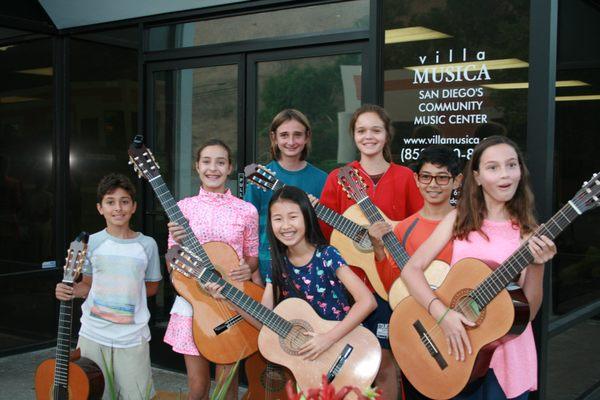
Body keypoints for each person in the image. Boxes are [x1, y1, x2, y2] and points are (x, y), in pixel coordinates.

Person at [401, 135, 557, 400]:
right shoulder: (457, 219)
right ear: (477, 176)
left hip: (509, 354)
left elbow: (528, 312)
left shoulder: (529, 233)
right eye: (493, 167)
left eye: (511, 165)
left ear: (520, 171)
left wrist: (538, 266)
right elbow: (411, 270)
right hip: (458, 347)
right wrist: (442, 315)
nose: (504, 174)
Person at [319, 104, 423, 399]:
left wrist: (391, 232)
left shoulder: (405, 177)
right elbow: (327, 234)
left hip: (391, 286)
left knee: (386, 363)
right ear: (353, 136)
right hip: (348, 286)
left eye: (376, 130)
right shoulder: (339, 177)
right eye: (361, 130)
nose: (369, 136)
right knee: (348, 362)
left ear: (387, 135)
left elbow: (418, 228)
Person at [205, 185, 376, 361]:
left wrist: (327, 339)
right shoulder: (277, 264)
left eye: (293, 217)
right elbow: (265, 321)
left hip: (344, 351)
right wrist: (228, 299)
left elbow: (367, 301)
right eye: (278, 219)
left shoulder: (327, 255)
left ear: (307, 218)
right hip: (309, 360)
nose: (286, 226)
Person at [164, 139, 259, 400]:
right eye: (206, 161)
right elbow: (172, 259)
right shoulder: (183, 208)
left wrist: (245, 270)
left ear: (230, 168)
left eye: (220, 162)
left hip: (231, 303)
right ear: (197, 166)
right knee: (198, 386)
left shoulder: (246, 210)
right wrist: (177, 248)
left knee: (227, 386)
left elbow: (252, 258)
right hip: (194, 303)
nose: (213, 168)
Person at [55, 173, 162, 400]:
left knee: (137, 395)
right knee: (93, 394)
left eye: (124, 201)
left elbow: (152, 287)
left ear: (133, 207)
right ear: (100, 208)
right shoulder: (91, 243)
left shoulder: (147, 245)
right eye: (110, 202)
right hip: (94, 335)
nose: (118, 208)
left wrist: (125, 293)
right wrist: (71, 291)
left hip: (132, 338)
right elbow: (87, 285)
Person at [244, 109, 327, 284]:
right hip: (268, 263)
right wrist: (255, 269)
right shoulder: (260, 178)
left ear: (307, 137)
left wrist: (318, 211)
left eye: (297, 135)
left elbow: (328, 231)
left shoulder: (322, 179)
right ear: (274, 137)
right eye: (284, 135)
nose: (291, 141)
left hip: (312, 266)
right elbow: (248, 228)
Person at [368, 144, 462, 293]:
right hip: (416, 312)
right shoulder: (404, 228)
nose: (433, 184)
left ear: (457, 181)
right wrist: (379, 251)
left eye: (442, 177)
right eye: (426, 177)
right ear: (416, 179)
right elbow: (393, 288)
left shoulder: (468, 224)